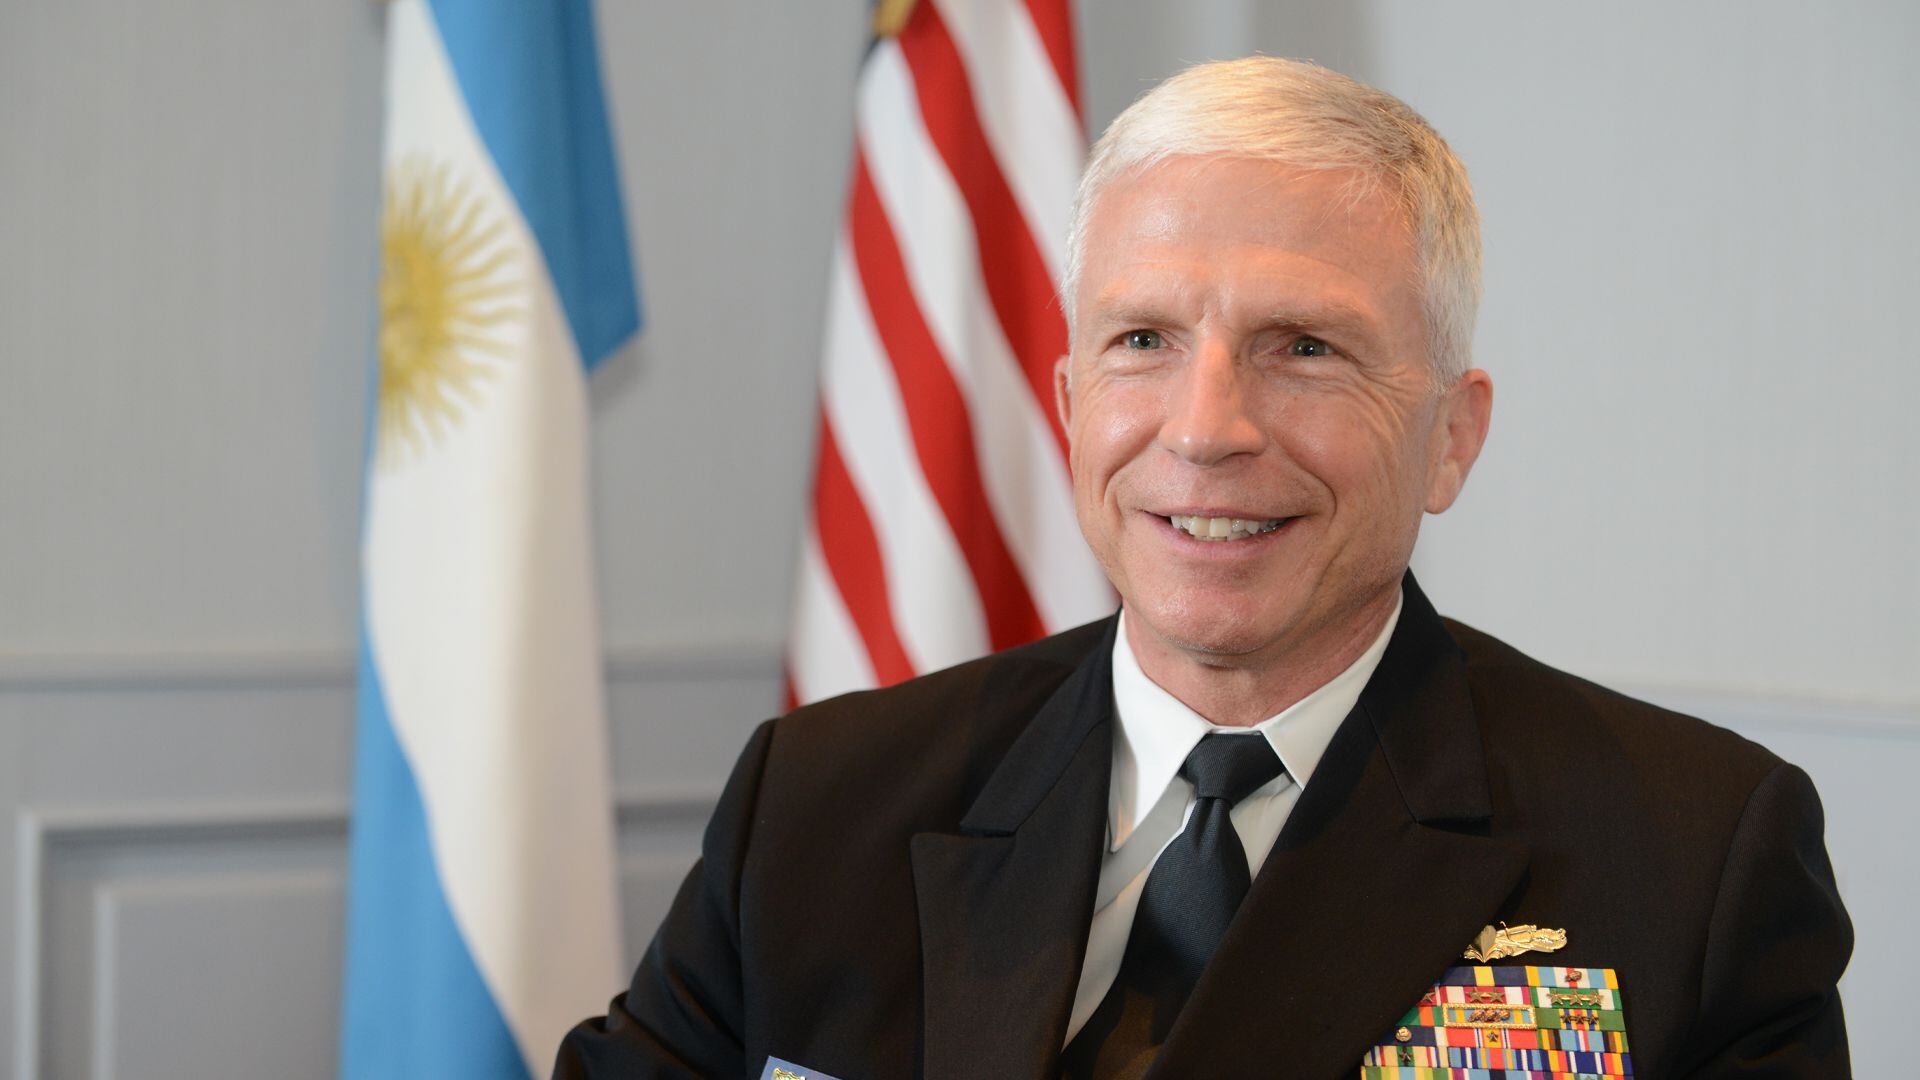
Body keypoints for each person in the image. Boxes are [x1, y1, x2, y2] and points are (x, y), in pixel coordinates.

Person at [554, 57, 1851, 1079]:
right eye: (1143, 340)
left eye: (1305, 347)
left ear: (1450, 438)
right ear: (1071, 408)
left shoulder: (1692, 861)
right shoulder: (816, 808)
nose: (1206, 427)